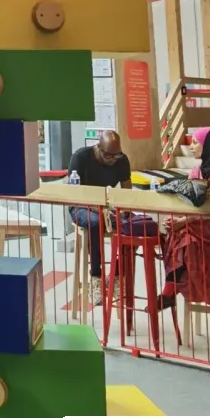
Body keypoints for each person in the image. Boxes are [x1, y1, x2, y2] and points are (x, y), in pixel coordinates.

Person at [159, 126, 210, 311]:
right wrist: (178, 220)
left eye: (196, 143)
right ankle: (169, 292)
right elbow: (190, 203)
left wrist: (183, 221)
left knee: (182, 232)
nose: (191, 147)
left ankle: (169, 291)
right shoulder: (196, 171)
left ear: (208, 146)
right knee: (181, 235)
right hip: (200, 222)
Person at [67, 130, 131, 305]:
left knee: (134, 225)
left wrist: (124, 210)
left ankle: (117, 275)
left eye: (115, 156)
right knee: (95, 224)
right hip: (80, 205)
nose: (112, 159)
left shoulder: (121, 160)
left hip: (106, 205)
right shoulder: (81, 157)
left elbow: (127, 191)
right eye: (108, 155)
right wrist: (97, 208)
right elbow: (73, 194)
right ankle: (96, 276)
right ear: (98, 147)